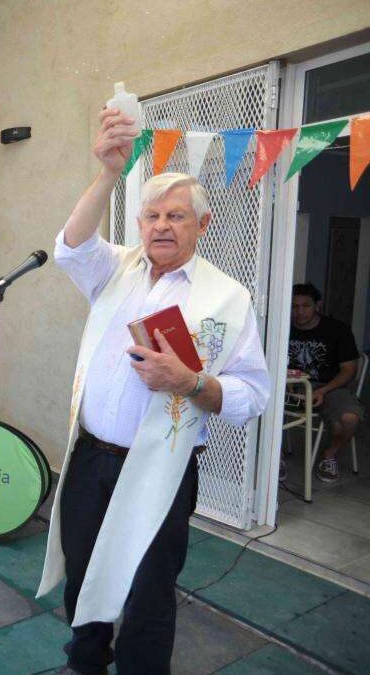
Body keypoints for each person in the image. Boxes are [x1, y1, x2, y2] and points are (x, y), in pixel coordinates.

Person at [38, 109, 270, 675]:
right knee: (85, 566)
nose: (162, 226)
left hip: (163, 466)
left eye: (176, 216)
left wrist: (191, 382)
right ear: (138, 224)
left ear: (202, 224)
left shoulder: (228, 298)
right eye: (152, 216)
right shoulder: (114, 268)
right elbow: (69, 246)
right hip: (92, 456)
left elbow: (252, 393)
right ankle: (85, 661)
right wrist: (108, 174)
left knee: (149, 586)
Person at [288, 283, 365, 483]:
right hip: (290, 387)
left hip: (329, 387)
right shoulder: (280, 328)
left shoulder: (337, 330)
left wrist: (324, 390)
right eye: (294, 306)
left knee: (349, 418)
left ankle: (329, 454)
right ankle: (274, 459)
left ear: (317, 306)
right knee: (256, 406)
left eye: (306, 306)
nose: (299, 312)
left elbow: (349, 371)